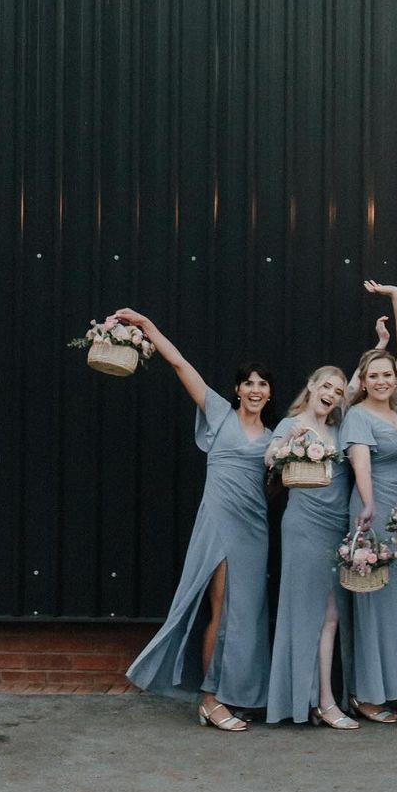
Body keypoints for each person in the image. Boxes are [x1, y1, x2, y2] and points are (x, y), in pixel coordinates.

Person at [119, 308, 274, 731]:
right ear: (237, 389)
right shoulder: (220, 413)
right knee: (221, 609)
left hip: (255, 528)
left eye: (263, 384)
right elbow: (180, 364)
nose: (256, 390)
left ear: (269, 393)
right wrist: (148, 326)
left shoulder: (276, 438)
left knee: (250, 613)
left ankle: (237, 694)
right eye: (250, 383)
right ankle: (209, 698)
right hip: (220, 524)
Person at [339, 281, 397, 723]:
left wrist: (396, 295)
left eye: (388, 374)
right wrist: (368, 508)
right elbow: (361, 465)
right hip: (372, 510)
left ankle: (388, 685)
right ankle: (367, 694)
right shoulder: (358, 414)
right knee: (373, 601)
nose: (384, 380)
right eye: (375, 375)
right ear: (363, 381)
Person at [265, 365, 357, 730]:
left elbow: (358, 382)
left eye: (337, 390)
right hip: (304, 526)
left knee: (331, 616)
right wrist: (290, 443)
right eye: (326, 387)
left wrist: (381, 345)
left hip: (336, 527)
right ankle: (321, 701)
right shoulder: (292, 423)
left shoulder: (336, 427)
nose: (331, 394)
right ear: (311, 385)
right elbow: (269, 459)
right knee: (309, 614)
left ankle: (321, 700)